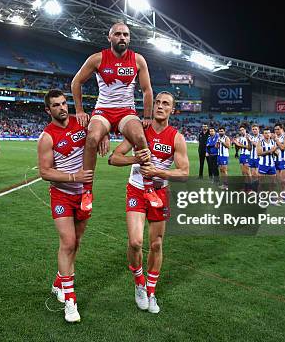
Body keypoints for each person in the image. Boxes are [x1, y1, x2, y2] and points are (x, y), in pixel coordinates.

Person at [109, 92, 189, 314]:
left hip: (160, 192)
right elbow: (114, 158)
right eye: (158, 103)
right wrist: (136, 159)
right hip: (136, 189)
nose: (160, 106)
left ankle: (151, 291)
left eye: (166, 104)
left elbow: (184, 173)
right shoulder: (140, 131)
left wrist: (157, 171)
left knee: (156, 244)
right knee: (135, 242)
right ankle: (139, 283)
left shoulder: (176, 137)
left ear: (172, 110)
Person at [71, 22, 160, 211]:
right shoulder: (97, 59)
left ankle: (148, 186)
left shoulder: (138, 60)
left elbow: (147, 90)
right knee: (92, 137)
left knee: (140, 137)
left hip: (126, 111)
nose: (122, 37)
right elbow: (76, 82)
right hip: (103, 109)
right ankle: (87, 190)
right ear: (109, 38)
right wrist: (79, 110)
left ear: (129, 38)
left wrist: (147, 116)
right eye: (118, 34)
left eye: (126, 34)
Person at [37, 89, 96, 323]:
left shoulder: (81, 123)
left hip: (84, 195)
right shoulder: (47, 137)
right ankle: (70, 301)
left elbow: (98, 133)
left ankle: (59, 282)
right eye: (56, 105)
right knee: (68, 242)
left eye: (64, 103)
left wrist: (100, 141)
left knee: (77, 242)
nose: (62, 108)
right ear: (47, 109)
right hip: (61, 194)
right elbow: (45, 172)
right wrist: (73, 177)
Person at [257, 127, 277, 199]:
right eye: (265, 133)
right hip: (263, 165)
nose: (267, 134)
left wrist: (275, 151)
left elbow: (276, 153)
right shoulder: (260, 142)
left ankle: (272, 198)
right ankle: (259, 197)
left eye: (268, 133)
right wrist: (270, 151)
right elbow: (258, 153)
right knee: (261, 183)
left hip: (272, 164)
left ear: (270, 134)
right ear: (263, 134)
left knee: (273, 183)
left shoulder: (273, 142)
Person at [273, 123, 285, 204]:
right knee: (279, 180)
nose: (276, 131)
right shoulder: (274, 137)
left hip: (284, 160)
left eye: (278, 129)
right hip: (276, 160)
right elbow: (274, 148)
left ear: (282, 129)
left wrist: (276, 141)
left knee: (284, 180)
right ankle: (283, 196)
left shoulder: (284, 136)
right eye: (275, 129)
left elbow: (283, 147)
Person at [234, 125, 252, 191]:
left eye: (242, 130)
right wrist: (236, 144)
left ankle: (250, 187)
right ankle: (245, 187)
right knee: (243, 172)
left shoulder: (249, 136)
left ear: (245, 130)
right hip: (242, 155)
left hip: (247, 155)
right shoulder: (240, 137)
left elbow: (249, 147)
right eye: (240, 130)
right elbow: (238, 146)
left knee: (248, 172)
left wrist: (239, 144)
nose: (241, 131)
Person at [247, 125, 262, 191]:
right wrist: (248, 141)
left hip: (259, 158)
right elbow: (249, 149)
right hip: (252, 157)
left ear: (258, 129)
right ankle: (254, 189)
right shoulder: (252, 137)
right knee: (253, 175)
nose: (254, 130)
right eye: (253, 129)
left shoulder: (261, 137)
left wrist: (251, 140)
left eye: (256, 129)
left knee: (258, 175)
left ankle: (259, 189)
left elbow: (257, 145)